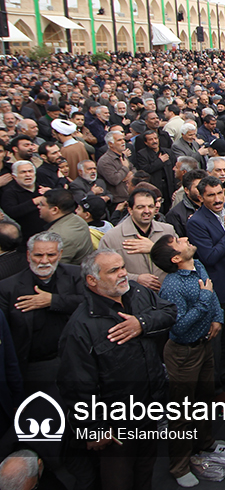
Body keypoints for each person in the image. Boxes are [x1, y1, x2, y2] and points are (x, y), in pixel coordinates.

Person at [58, 250, 177, 490]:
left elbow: (169, 312)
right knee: (118, 481)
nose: (123, 274)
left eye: (122, 267)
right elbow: (77, 384)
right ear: (92, 280)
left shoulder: (138, 292)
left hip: (148, 411)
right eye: (113, 271)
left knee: (145, 474)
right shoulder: (80, 328)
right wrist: (93, 428)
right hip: (115, 426)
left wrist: (141, 324)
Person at [150, 234, 225, 488]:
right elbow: (178, 327)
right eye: (177, 241)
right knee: (182, 412)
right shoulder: (171, 286)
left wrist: (218, 317)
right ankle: (179, 466)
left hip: (204, 346)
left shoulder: (198, 265)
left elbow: (210, 290)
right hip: (184, 353)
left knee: (205, 399)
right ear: (175, 258)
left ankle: (205, 444)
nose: (184, 238)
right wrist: (204, 301)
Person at [0, 231, 85, 392]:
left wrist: (52, 301)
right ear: (28, 255)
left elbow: (90, 304)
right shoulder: (7, 288)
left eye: (50, 255)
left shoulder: (76, 275)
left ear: (60, 254)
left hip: (74, 360)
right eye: (38, 255)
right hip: (33, 367)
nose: (44, 261)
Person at [186, 175, 225, 389]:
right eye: (210, 195)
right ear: (201, 197)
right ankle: (214, 388)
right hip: (215, 282)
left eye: (219, 193)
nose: (217, 198)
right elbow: (210, 257)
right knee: (216, 334)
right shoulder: (196, 223)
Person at [99, 188, 174, 290]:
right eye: (140, 207)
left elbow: (183, 260)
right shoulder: (111, 237)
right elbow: (103, 271)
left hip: (166, 295)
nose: (147, 211)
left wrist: (155, 248)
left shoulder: (168, 230)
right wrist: (135, 279)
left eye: (151, 206)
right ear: (130, 210)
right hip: (133, 297)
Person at [36, 188, 92, 265]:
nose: (38, 207)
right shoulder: (77, 219)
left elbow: (53, 267)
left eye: (42, 204)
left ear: (54, 210)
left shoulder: (59, 236)